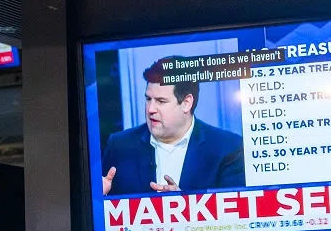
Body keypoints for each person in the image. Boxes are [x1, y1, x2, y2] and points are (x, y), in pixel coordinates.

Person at [101, 56, 245, 196]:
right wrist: (100, 197)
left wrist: (183, 206)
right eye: (148, 99)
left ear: (186, 103)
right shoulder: (119, 145)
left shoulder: (228, 148)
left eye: (161, 101)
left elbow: (236, 215)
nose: (150, 109)